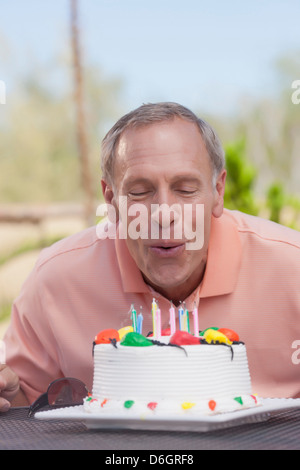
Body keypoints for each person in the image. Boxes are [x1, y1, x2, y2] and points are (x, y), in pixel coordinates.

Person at [1, 102, 300, 412]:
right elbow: (23, 410)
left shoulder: (294, 269)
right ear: (111, 200)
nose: (164, 214)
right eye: (140, 192)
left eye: (185, 189)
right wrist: (9, 397)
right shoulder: (54, 281)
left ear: (218, 191)